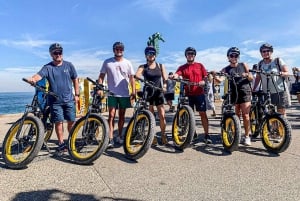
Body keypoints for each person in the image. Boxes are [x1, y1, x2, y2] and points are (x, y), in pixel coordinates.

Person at [29, 43, 79, 153]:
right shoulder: (48, 67)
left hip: (69, 99)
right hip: (55, 101)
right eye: (55, 52)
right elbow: (39, 76)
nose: (58, 54)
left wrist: (77, 95)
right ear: (51, 54)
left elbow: (75, 79)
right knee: (58, 122)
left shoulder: (69, 65)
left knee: (71, 121)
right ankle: (61, 143)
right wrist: (32, 79)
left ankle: (71, 140)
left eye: (60, 52)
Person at [98, 42, 135, 148]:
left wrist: (133, 91)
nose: (119, 51)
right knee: (111, 116)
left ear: (123, 50)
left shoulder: (128, 63)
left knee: (122, 116)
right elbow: (101, 76)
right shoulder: (107, 62)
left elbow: (132, 78)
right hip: (112, 93)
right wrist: (100, 88)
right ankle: (110, 138)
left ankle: (119, 136)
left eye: (121, 49)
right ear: (113, 50)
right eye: (117, 49)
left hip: (124, 94)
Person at [172, 47, 212, 144]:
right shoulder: (182, 67)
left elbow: (206, 76)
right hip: (188, 95)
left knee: (203, 114)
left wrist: (203, 81)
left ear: (194, 55)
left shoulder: (200, 65)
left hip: (199, 93)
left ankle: (207, 135)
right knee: (190, 115)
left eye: (192, 53)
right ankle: (192, 134)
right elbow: (177, 74)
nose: (191, 55)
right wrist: (174, 76)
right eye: (189, 53)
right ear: (186, 55)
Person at [135, 46, 168, 145]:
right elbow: (137, 75)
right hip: (148, 92)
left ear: (155, 55)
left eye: (152, 53)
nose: (151, 55)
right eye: (149, 53)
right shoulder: (143, 66)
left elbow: (165, 78)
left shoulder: (160, 65)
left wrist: (165, 85)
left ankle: (163, 135)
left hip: (158, 91)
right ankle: (152, 136)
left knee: (162, 115)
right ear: (146, 55)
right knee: (151, 116)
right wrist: (136, 77)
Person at [221, 47, 253, 146]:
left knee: (246, 115)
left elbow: (251, 78)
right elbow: (219, 79)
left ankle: (247, 136)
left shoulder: (243, 65)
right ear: (228, 57)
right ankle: (237, 135)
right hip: (233, 93)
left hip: (244, 92)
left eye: (236, 55)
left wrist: (247, 75)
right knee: (236, 115)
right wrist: (214, 76)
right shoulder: (225, 69)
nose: (234, 57)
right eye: (232, 55)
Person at [253, 43, 290, 116]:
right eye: (263, 51)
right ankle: (274, 127)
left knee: (281, 112)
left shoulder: (277, 60)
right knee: (270, 112)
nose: (266, 53)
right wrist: (254, 89)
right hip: (267, 92)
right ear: (261, 53)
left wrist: (281, 73)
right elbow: (258, 77)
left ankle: (283, 127)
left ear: (271, 52)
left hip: (280, 90)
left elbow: (287, 72)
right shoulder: (260, 64)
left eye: (268, 51)